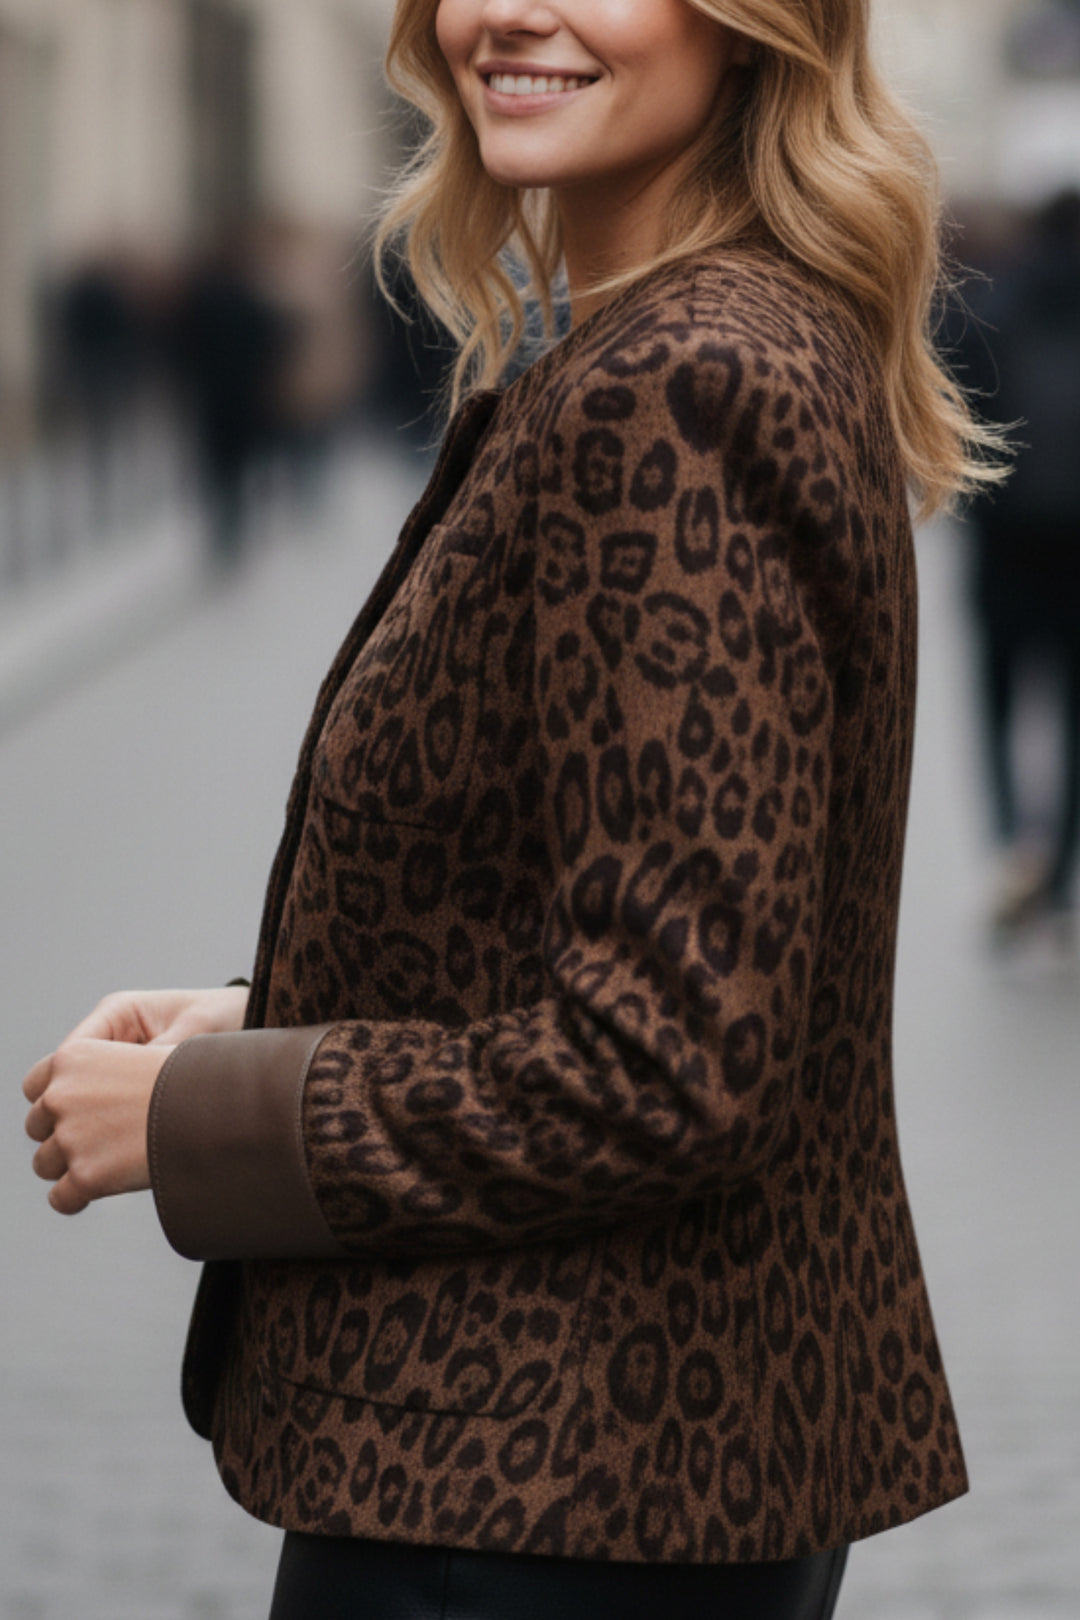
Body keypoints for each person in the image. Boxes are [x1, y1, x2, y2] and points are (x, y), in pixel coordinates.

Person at [23, 1, 1003, 1616]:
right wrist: (256, 1024)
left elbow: (672, 1058)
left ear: (756, 24)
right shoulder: (672, 341)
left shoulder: (681, 387)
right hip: (593, 1481)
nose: (512, 11)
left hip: (540, 1496)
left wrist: (206, 1122)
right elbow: (649, 929)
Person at [956, 190, 1080, 942]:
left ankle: (1013, 847)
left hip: (1005, 547)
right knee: (1074, 713)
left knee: (999, 702)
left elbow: (959, 420)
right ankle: (1060, 874)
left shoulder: (994, 304)